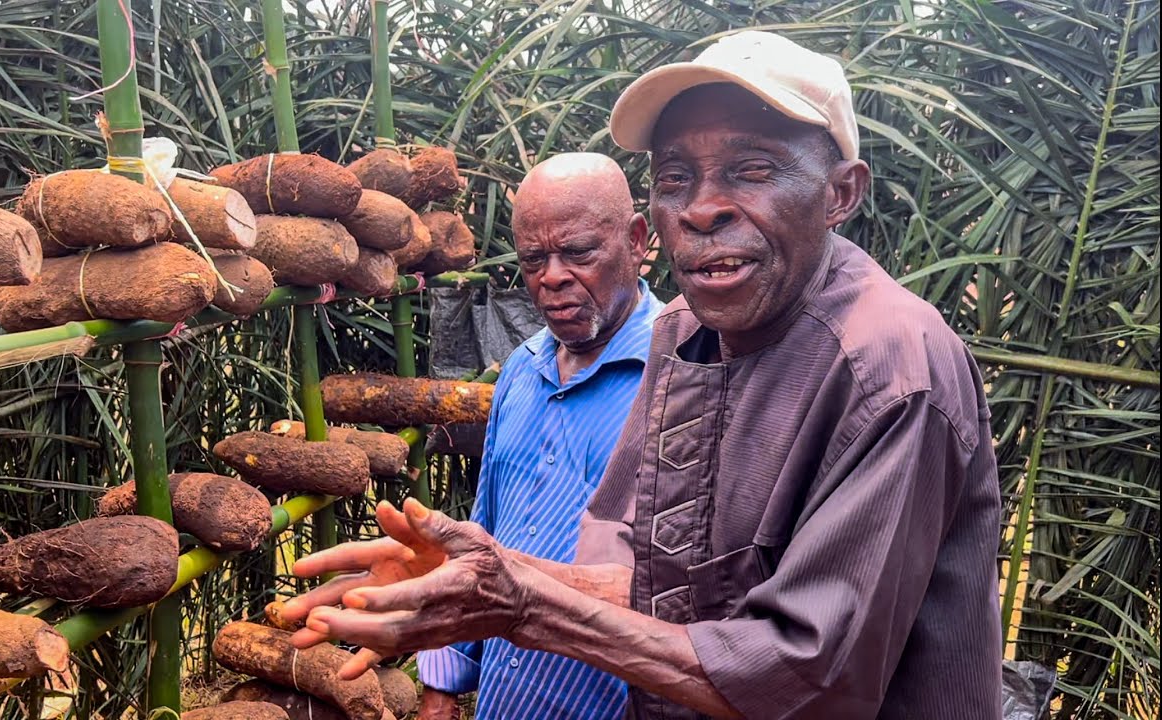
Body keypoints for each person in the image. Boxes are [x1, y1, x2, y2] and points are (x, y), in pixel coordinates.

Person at [283, 30, 1003, 720]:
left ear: (840, 193)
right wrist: (487, 573)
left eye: (752, 170)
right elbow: (660, 586)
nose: (701, 208)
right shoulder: (686, 335)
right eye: (675, 179)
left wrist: (522, 603)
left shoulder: (891, 370)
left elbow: (807, 678)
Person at [417, 153, 663, 720]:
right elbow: (483, 531)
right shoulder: (521, 372)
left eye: (578, 252)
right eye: (533, 259)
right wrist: (442, 688)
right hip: (507, 701)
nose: (552, 276)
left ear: (637, 240)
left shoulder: (686, 379)